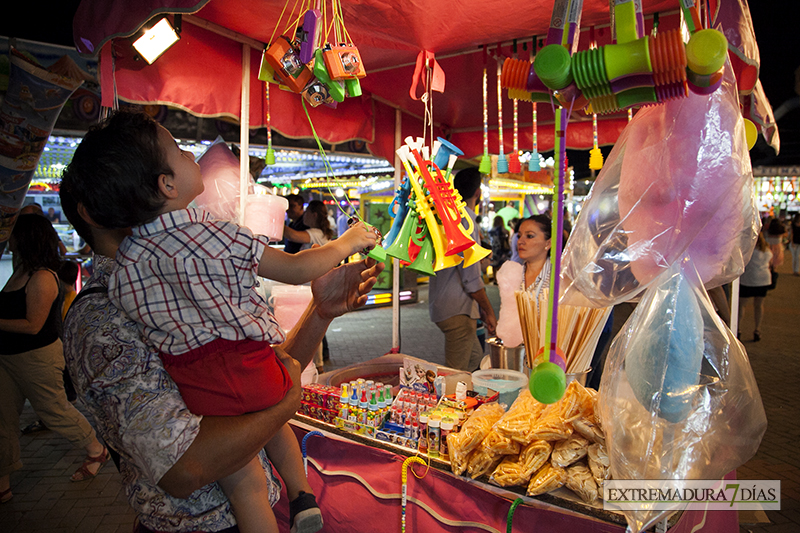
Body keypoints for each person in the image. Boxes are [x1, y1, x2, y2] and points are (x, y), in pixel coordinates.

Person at [59, 111, 377, 533]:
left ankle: (300, 497)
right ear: (95, 211)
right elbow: (181, 466)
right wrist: (286, 399)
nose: (193, 154)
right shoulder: (101, 317)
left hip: (259, 505)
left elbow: (256, 367)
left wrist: (320, 312)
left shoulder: (191, 259)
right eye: (176, 151)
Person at [0, 215, 110, 505]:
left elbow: (33, 325)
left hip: (37, 356)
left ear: (25, 238)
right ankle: (3, 480)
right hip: (8, 356)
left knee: (53, 410)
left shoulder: (42, 277)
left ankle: (96, 448)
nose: (8, 239)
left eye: (12, 234)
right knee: (3, 419)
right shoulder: (20, 270)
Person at [428, 167, 497, 371]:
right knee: (455, 373)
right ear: (478, 192)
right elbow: (471, 279)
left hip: (445, 306)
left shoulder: (449, 217)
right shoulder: (465, 221)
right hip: (458, 311)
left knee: (475, 361)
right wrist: (489, 311)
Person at [283, 199, 338, 369]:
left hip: (309, 286)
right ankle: (317, 364)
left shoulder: (315, 233)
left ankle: (318, 365)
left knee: (312, 326)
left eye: (306, 212)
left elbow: (292, 235)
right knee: (315, 325)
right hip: (311, 285)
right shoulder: (322, 233)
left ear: (313, 215)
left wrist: (275, 218)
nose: (304, 215)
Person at [739, 232, 773, 342]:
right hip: (763, 280)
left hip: (748, 280)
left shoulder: (748, 249)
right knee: (759, 305)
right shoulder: (767, 249)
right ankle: (757, 329)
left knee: (741, 305)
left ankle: (738, 328)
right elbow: (771, 263)